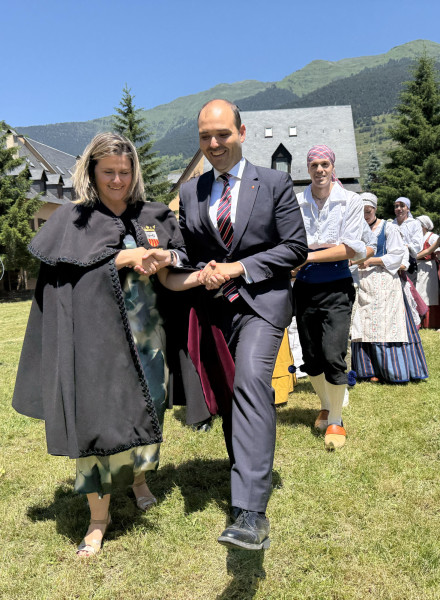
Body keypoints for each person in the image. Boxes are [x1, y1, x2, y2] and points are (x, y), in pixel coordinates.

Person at [13, 132, 203, 557]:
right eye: (108, 172)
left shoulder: (152, 215)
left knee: (147, 410)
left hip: (148, 337)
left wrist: (168, 258)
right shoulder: (74, 219)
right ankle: (98, 520)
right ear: (91, 172)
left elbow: (177, 262)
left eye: (125, 171)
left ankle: (138, 479)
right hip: (95, 341)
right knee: (96, 421)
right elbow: (68, 280)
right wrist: (123, 258)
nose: (118, 180)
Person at [178, 100, 307, 550]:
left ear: (242, 132)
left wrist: (239, 268)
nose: (213, 144)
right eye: (204, 136)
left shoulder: (273, 183)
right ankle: (247, 470)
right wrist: (176, 260)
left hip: (262, 305)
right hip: (214, 310)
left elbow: (295, 248)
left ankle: (251, 513)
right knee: (232, 392)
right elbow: (187, 250)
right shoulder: (191, 191)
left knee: (251, 380)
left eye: (222, 134)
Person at [293, 144, 362, 453]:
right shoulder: (297, 202)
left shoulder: (350, 200)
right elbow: (290, 243)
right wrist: (317, 251)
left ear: (333, 167)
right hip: (304, 287)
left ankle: (336, 418)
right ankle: (325, 404)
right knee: (310, 357)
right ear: (307, 169)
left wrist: (307, 255)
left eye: (325, 164)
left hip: (336, 286)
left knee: (333, 354)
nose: (319, 169)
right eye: (314, 165)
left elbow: (349, 248)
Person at [351, 196, 428, 384]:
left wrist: (371, 260)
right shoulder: (354, 228)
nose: (365, 215)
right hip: (362, 282)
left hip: (384, 281)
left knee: (385, 325)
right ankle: (367, 369)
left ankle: (390, 370)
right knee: (363, 324)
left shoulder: (388, 228)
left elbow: (397, 256)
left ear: (375, 209)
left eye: (368, 211)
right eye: (361, 212)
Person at [416, 215, 440, 329]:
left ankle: (431, 321)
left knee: (428, 293)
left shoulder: (432, 237)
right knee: (419, 292)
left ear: (424, 226)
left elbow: (438, 253)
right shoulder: (416, 237)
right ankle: (419, 319)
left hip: (429, 268)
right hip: (418, 267)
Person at [392, 197, 423, 283]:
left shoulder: (414, 223)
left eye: (402, 206)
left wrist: (405, 246)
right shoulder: (390, 224)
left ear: (408, 209)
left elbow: (418, 244)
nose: (399, 208)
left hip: (409, 261)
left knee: (408, 288)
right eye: (396, 206)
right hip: (392, 261)